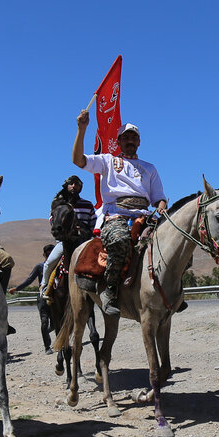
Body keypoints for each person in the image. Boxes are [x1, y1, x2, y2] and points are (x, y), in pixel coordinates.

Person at [72, 112, 167, 316]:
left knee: (173, 240)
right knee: (119, 239)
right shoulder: (107, 161)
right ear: (119, 142)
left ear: (139, 142)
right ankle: (110, 290)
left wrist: (161, 206)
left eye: (134, 137)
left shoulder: (149, 168)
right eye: (126, 137)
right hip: (116, 215)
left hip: (144, 215)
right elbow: (78, 160)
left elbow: (159, 197)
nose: (130, 140)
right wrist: (81, 129)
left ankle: (171, 292)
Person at [41, 175, 97, 298]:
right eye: (71, 184)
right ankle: (44, 287)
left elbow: (93, 223)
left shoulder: (87, 205)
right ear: (66, 186)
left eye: (77, 184)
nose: (74, 186)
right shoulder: (59, 204)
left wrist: (83, 230)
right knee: (49, 263)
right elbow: (52, 220)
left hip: (83, 241)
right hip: (64, 241)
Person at [8, 245, 55, 353]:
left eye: (51, 253)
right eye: (47, 254)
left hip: (55, 298)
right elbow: (29, 280)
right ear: (44, 255)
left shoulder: (58, 266)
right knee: (44, 321)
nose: (49, 256)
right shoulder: (40, 267)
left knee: (55, 324)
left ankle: (46, 333)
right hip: (43, 297)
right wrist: (17, 288)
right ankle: (47, 346)